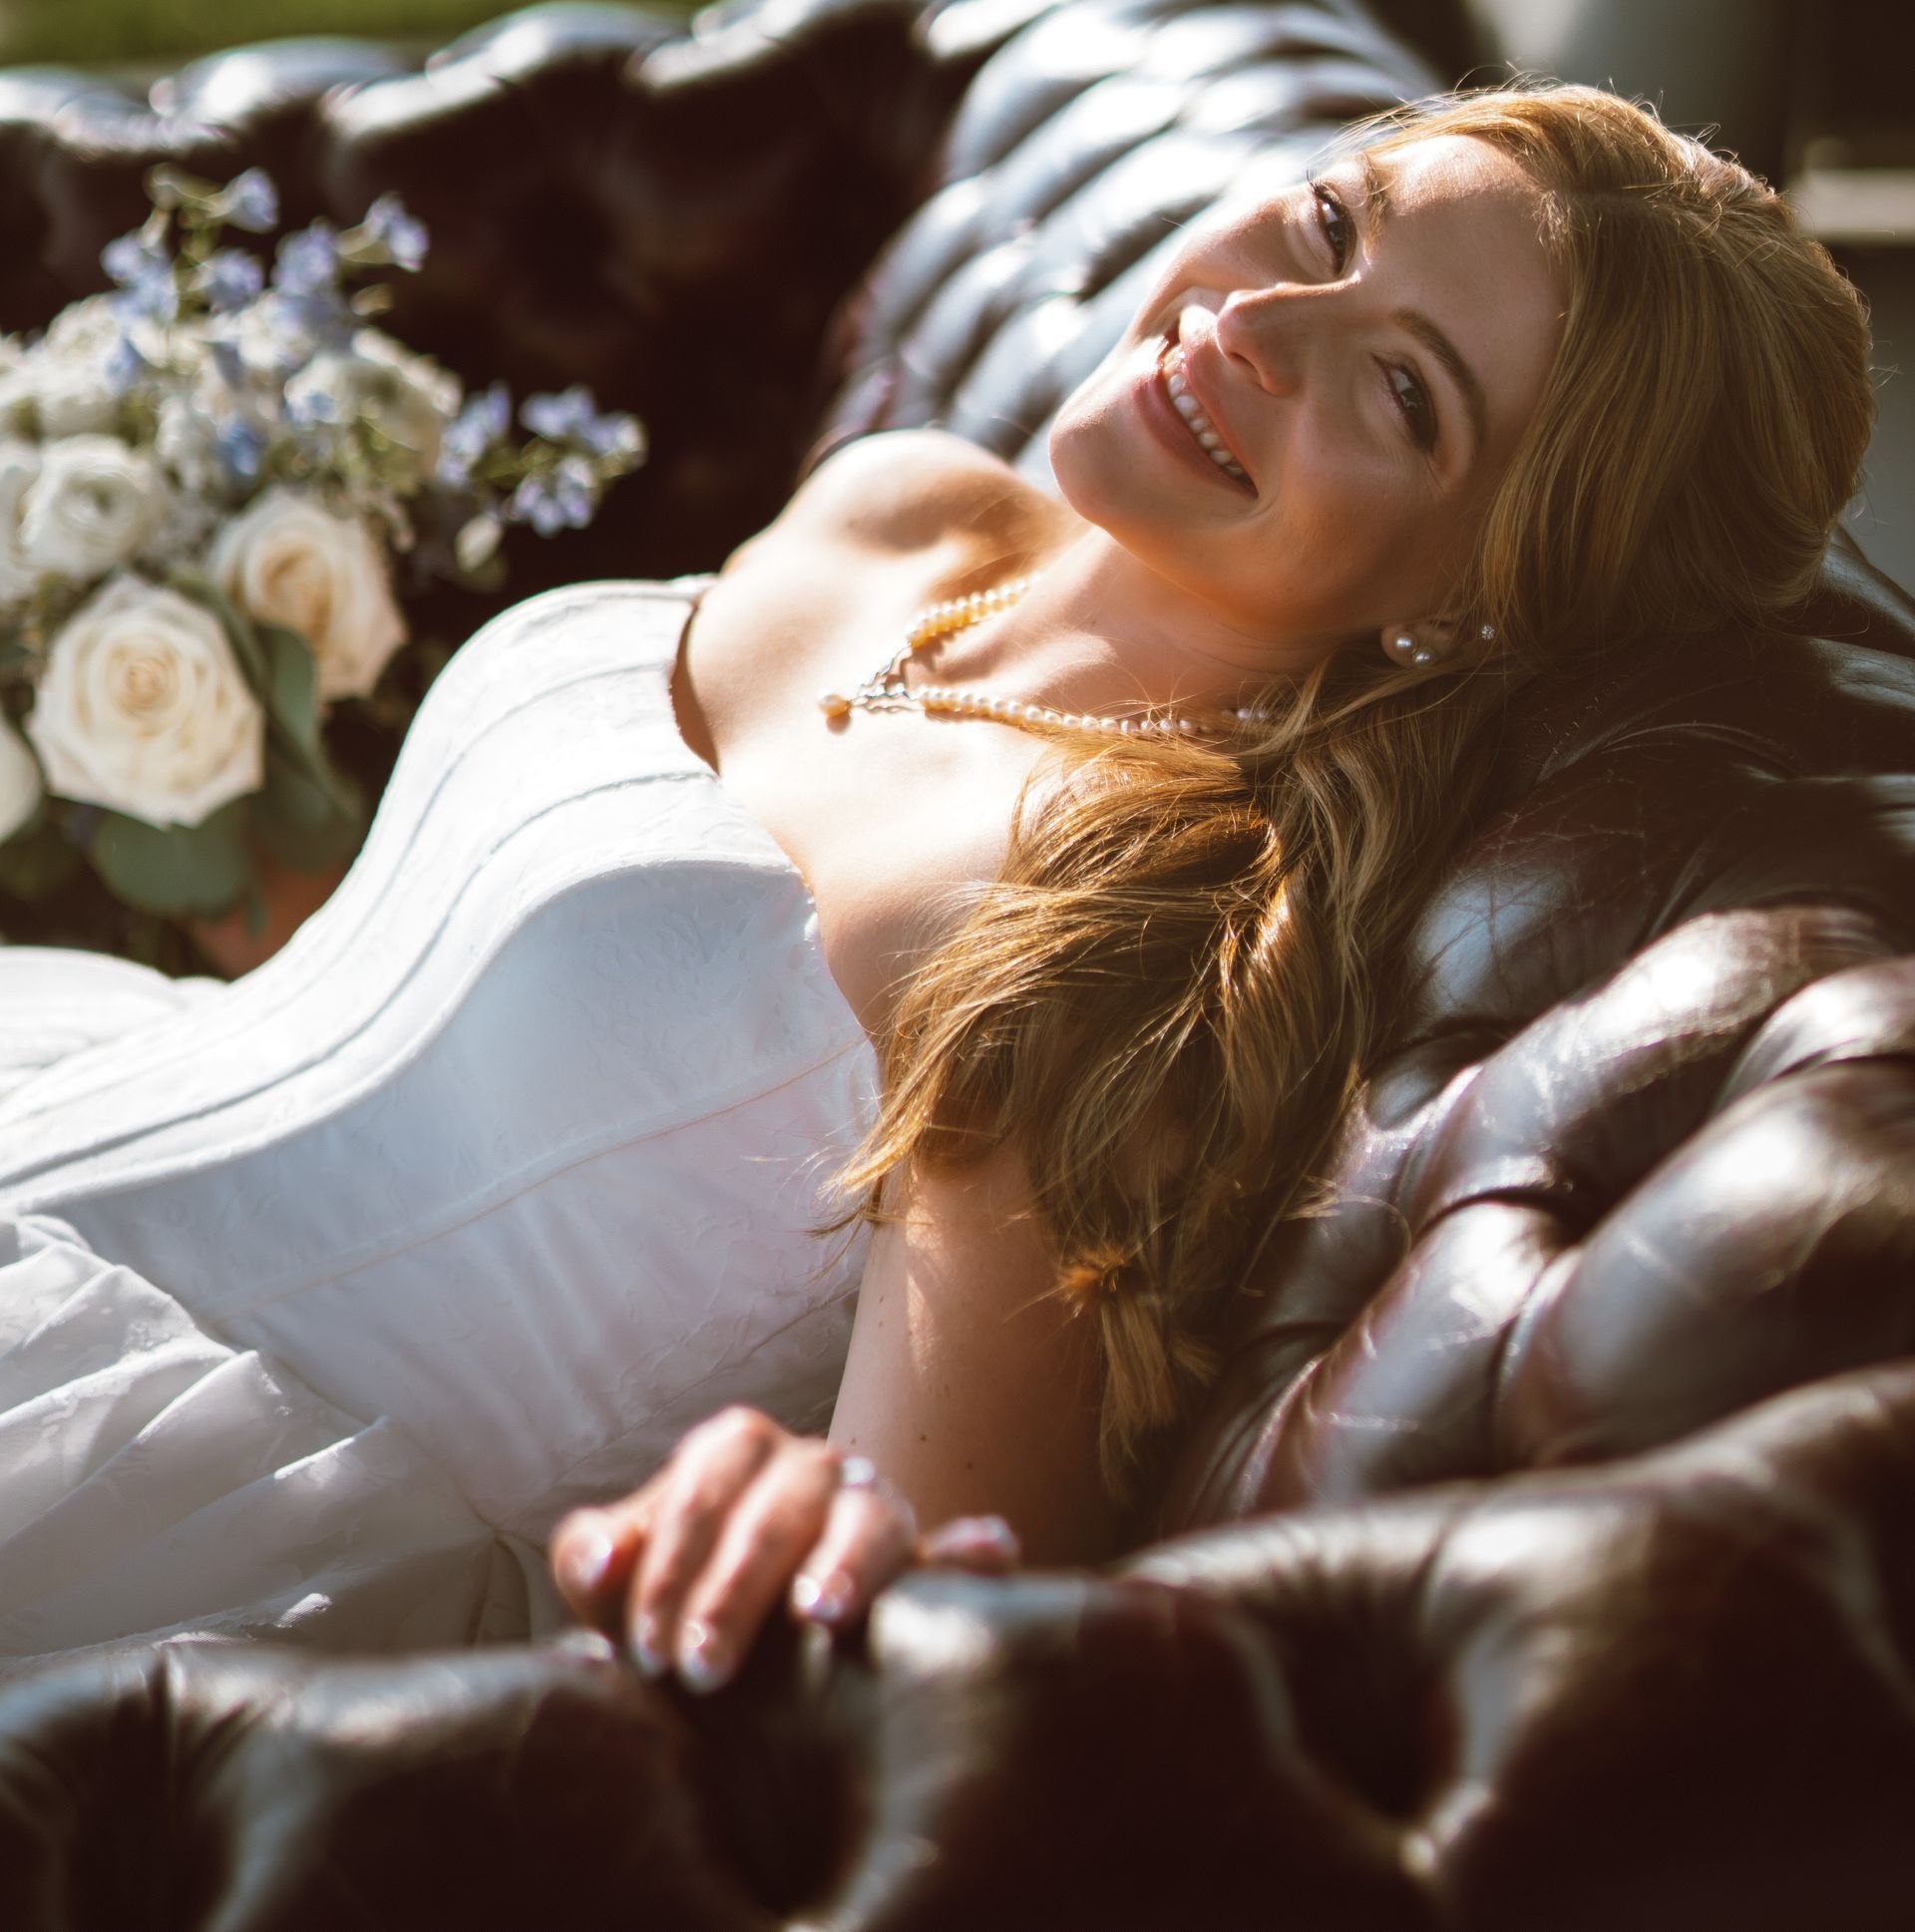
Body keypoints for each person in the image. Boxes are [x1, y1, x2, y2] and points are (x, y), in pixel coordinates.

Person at [0, 88, 1872, 1685]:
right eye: (1329, 216)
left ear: (1480, 595)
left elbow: (933, 1598)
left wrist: (835, 1529)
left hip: (174, 1505)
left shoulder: (1095, 947)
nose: (1262, 322)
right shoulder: (910, 505)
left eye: (1399, 389)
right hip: (80, 1099)